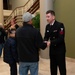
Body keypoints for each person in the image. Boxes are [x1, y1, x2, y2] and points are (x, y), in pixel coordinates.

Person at [44, 10, 66, 75]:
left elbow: (61, 38)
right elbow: (46, 37)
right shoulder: (47, 26)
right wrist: (44, 41)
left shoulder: (60, 25)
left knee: (62, 68)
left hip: (60, 50)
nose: (47, 18)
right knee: (53, 68)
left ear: (53, 17)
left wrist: (50, 42)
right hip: (52, 50)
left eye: (48, 17)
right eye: (46, 17)